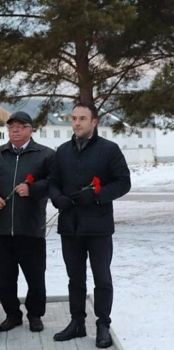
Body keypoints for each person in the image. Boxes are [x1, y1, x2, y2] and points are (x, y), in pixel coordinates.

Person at [49, 102, 131, 349]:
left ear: (94, 122)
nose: (76, 123)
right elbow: (53, 181)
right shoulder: (62, 151)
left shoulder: (109, 150)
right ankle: (77, 322)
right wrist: (56, 198)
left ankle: (103, 324)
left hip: (98, 227)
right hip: (70, 226)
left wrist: (97, 195)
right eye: (73, 118)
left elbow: (123, 182)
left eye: (82, 118)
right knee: (75, 278)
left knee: (102, 278)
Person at [0, 111, 55, 333]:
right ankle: (12, 314)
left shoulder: (46, 155)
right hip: (2, 228)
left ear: (31, 129)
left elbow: (54, 183)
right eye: (11, 127)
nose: (15, 130)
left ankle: (35, 314)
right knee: (6, 276)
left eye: (20, 126)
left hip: (31, 227)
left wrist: (32, 188)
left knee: (35, 275)